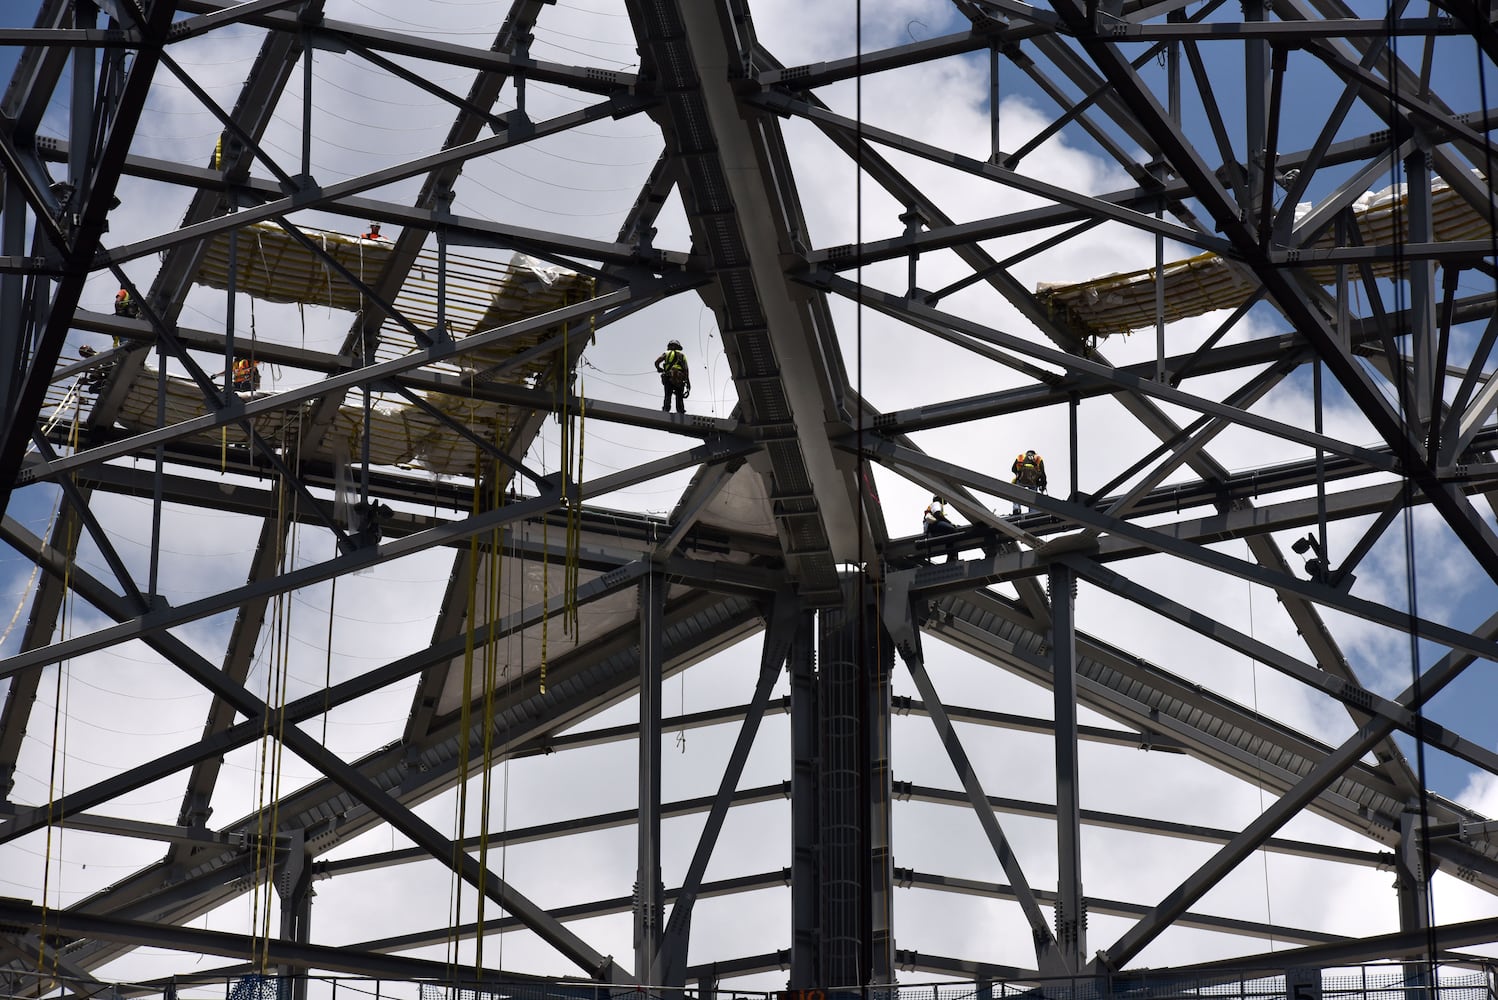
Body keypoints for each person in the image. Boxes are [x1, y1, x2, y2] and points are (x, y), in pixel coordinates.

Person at [654, 339, 690, 413]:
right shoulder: (682, 356)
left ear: (670, 346)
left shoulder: (667, 353)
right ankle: (680, 411)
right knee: (679, 397)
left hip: (669, 377)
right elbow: (686, 370)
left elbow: (657, 362)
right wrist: (688, 382)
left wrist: (659, 368)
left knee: (668, 395)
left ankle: (666, 410)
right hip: (680, 378)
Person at [923, 495, 960, 563]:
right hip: (932, 525)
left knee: (950, 531)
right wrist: (950, 523)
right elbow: (937, 514)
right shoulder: (936, 503)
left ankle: (952, 556)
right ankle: (952, 556)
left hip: (930, 526)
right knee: (952, 530)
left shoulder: (935, 505)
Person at [1011, 449, 1047, 515]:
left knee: (1016, 494)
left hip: (1021, 480)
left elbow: (1013, 469)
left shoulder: (1020, 456)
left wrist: (1018, 474)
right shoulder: (1038, 458)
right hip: (1033, 482)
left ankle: (1016, 508)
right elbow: (1042, 474)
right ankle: (1033, 512)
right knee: (1033, 497)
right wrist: (1043, 484)